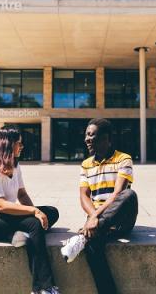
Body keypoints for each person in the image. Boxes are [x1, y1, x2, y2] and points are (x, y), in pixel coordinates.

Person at [0, 128, 61, 294]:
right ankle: (43, 287)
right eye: (19, 142)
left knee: (52, 212)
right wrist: (33, 213)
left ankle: (20, 233)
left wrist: (36, 212)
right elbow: (0, 205)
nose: (22, 146)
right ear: (7, 144)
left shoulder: (15, 165)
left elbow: (22, 194)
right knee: (34, 225)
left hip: (6, 215)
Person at [60, 118, 138, 294]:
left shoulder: (123, 159)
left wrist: (95, 218)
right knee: (93, 248)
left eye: (91, 135)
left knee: (130, 195)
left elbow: (118, 193)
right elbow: (84, 195)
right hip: (97, 220)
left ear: (106, 138)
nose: (87, 139)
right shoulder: (86, 164)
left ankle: (83, 237)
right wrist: (93, 215)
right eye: (86, 135)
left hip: (120, 220)